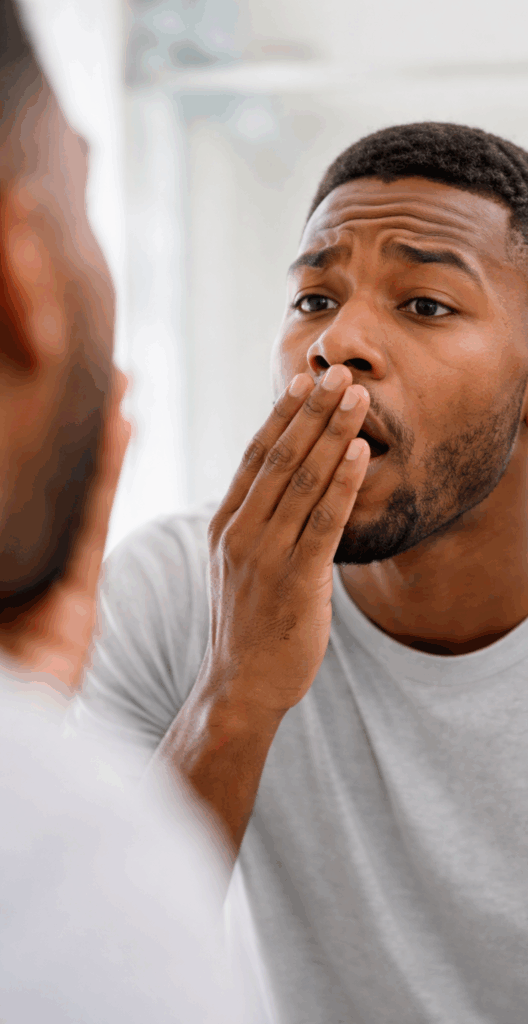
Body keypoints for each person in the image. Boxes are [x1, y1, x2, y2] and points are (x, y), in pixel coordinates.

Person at [70, 121, 528, 1024]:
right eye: (314, 299)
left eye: (425, 304)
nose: (337, 343)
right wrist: (237, 689)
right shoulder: (171, 592)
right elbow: (84, 975)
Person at [0, 2, 248, 1019]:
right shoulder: (63, 857)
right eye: (84, 198)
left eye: (425, 304)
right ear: (22, 280)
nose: (339, 349)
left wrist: (27, 692)